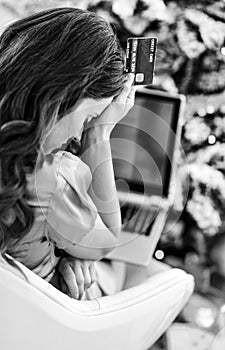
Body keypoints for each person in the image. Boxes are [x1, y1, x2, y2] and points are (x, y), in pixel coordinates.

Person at [0, 7, 168, 300]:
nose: (79, 132)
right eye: (89, 117)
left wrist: (67, 251)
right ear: (63, 97)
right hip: (48, 312)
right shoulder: (48, 178)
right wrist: (99, 134)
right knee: (136, 268)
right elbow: (108, 240)